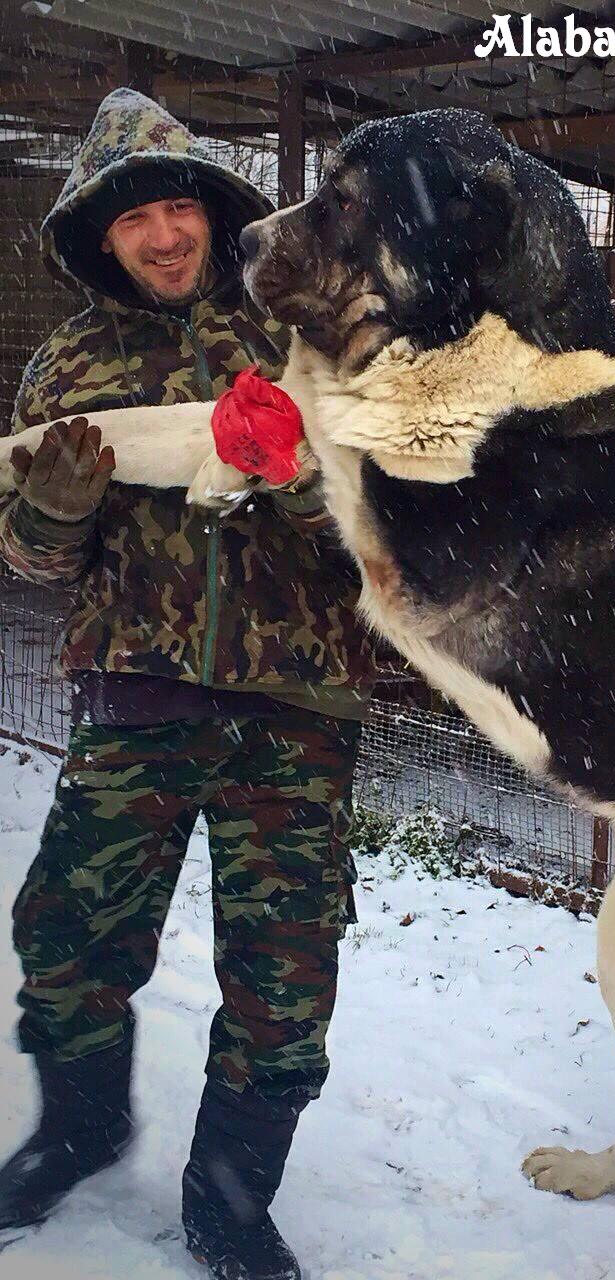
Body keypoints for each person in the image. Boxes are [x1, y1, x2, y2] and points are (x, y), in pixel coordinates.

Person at [0, 88, 376, 1280]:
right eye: (134, 222)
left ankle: (227, 1198)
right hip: (135, 704)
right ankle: (80, 1123)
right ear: (98, 239)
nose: (165, 236)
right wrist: (49, 514)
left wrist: (308, 482)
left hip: (293, 716)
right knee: (67, 934)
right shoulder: (71, 360)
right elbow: (28, 553)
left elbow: (389, 534)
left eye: (178, 207)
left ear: (209, 211)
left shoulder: (300, 336)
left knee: (283, 979)